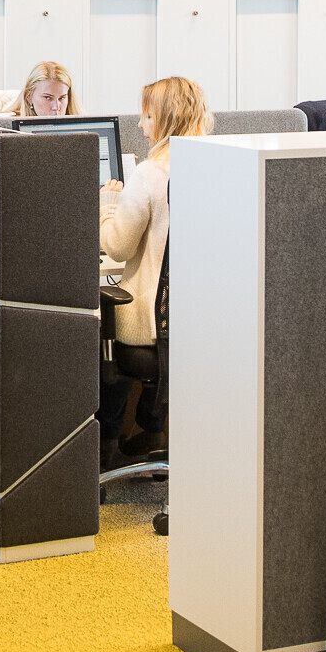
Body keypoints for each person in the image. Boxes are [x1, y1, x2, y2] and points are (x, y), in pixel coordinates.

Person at [99, 76, 210, 456]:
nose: (141, 125)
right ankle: (153, 429)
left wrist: (106, 206)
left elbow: (117, 247)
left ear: (165, 119)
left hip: (149, 333)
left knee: (101, 330)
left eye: (147, 116)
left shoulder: (149, 174)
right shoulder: (217, 166)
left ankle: (107, 443)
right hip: (202, 329)